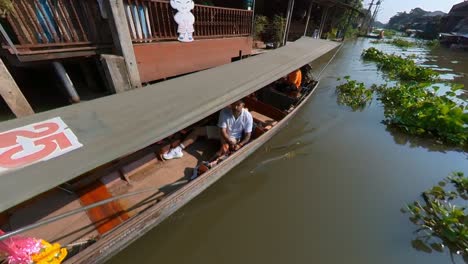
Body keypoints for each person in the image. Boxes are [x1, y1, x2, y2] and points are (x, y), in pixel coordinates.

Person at [163, 99, 253, 160]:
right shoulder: (224, 111)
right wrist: (227, 142)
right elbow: (222, 131)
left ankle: (208, 164)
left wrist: (239, 144)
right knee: (197, 131)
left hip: (234, 137)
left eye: (238, 105)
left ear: (243, 105)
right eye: (234, 104)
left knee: (223, 150)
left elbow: (248, 135)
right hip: (222, 133)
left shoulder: (248, 116)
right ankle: (178, 149)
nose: (235, 107)